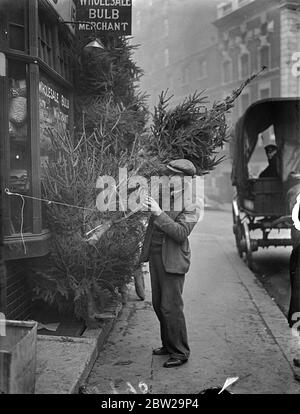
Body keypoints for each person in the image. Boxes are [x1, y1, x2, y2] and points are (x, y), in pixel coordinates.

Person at [140, 159, 201, 368]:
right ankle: (168, 344)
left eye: (172, 175)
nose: (167, 178)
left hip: (173, 258)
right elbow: (153, 222)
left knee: (171, 306)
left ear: (184, 180)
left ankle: (180, 351)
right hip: (156, 255)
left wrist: (158, 212)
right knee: (158, 304)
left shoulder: (193, 202)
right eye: (167, 174)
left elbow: (181, 232)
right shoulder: (167, 195)